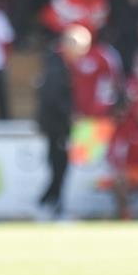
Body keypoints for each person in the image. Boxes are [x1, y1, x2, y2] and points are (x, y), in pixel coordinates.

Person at [34, 24, 91, 219]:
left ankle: (50, 203)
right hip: (56, 125)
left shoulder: (58, 64)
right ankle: (48, 204)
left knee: (60, 165)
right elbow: (53, 97)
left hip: (57, 125)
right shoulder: (56, 66)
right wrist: (70, 114)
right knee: (59, 165)